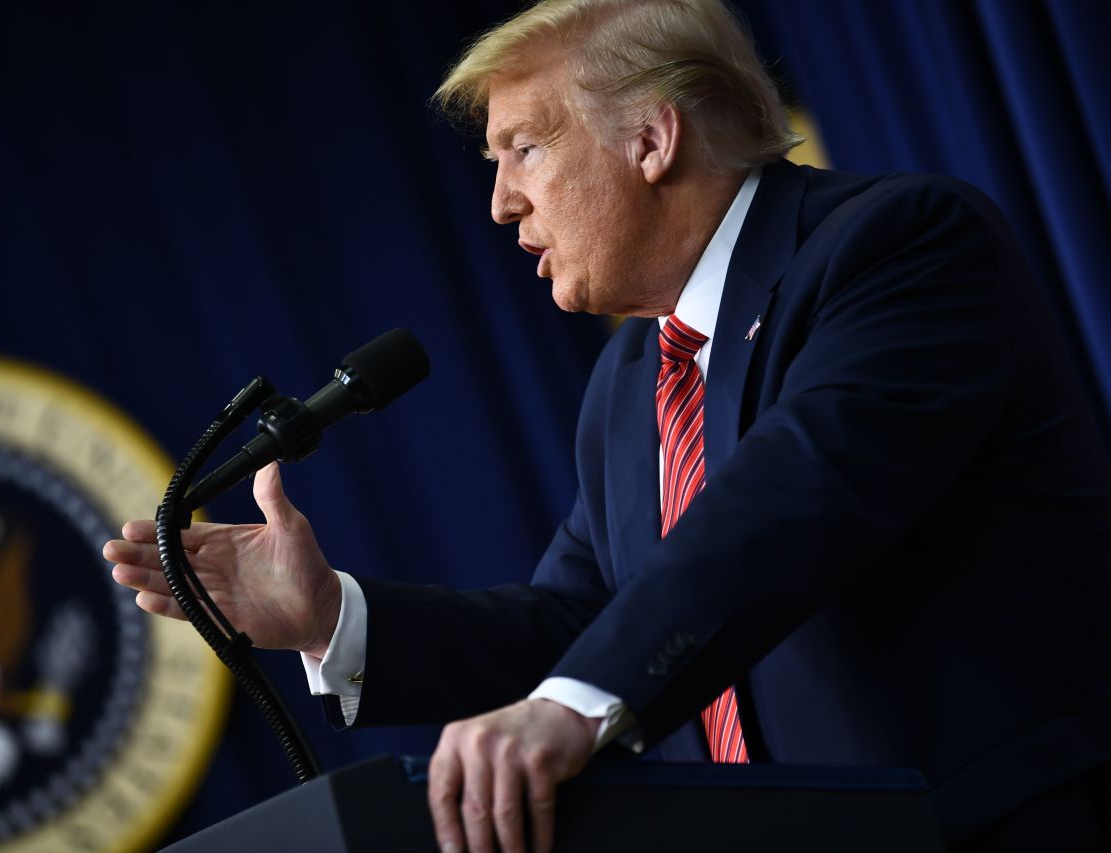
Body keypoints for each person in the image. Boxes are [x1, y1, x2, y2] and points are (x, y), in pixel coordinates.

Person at [104, 1, 1111, 851]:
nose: (500, 204)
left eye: (523, 149)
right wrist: (332, 618)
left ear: (649, 138)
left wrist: (571, 706)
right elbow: (576, 624)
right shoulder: (635, 370)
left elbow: (793, 497)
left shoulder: (898, 247)